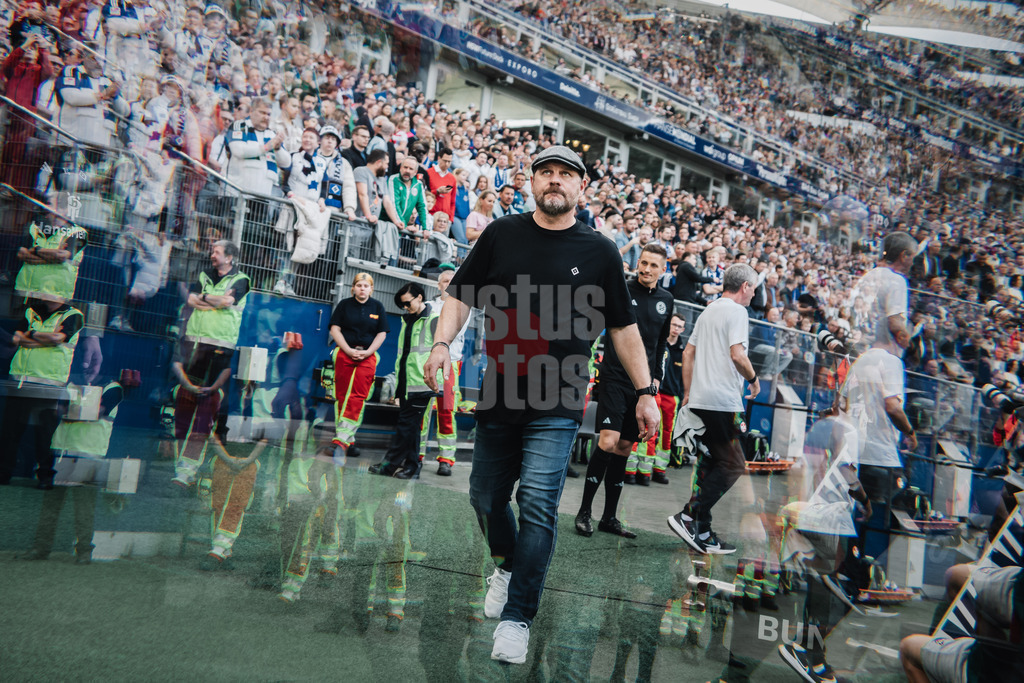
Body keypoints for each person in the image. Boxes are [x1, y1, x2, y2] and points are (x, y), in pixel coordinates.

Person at [423, 145, 660, 665]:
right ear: (531, 183)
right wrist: (442, 342)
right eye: (545, 173)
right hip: (501, 392)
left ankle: (517, 617)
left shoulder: (600, 251)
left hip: (561, 396)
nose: (555, 181)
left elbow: (622, 326)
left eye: (565, 175)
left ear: (581, 188)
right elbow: (460, 294)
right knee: (485, 497)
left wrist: (646, 393)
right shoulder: (502, 234)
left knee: (536, 502)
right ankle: (506, 568)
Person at [575, 243, 673, 539]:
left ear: (663, 269)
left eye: (653, 265)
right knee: (608, 441)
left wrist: (655, 378)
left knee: (624, 447)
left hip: (642, 387)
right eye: (643, 263)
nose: (646, 269)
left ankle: (609, 518)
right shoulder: (621, 289)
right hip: (614, 378)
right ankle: (584, 513)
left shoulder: (667, 300)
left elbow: (661, 345)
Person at [667, 263, 760, 555]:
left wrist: (687, 392)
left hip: (702, 398)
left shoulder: (709, 310)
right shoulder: (737, 311)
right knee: (734, 464)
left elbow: (688, 352)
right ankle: (687, 516)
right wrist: (754, 380)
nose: (753, 295)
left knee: (713, 461)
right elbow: (738, 355)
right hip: (723, 401)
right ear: (744, 286)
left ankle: (702, 529)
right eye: (753, 289)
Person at [0, 298, 84, 488]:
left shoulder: (74, 315)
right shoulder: (31, 311)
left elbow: (58, 339)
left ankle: (45, 477)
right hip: (20, 381)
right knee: (10, 432)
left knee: (44, 434)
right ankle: (4, 473)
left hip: (49, 385)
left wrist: (32, 334)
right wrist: (44, 339)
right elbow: (17, 338)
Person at [369, 283, 438, 479]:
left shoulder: (433, 320)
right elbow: (405, 355)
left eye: (407, 303)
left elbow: (439, 352)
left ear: (419, 297)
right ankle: (412, 467)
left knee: (406, 425)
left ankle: (389, 465)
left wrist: (432, 381)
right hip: (407, 382)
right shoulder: (407, 320)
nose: (406, 308)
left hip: (422, 383)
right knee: (412, 427)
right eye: (402, 305)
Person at [328, 273, 389, 458]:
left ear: (372, 289)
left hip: (367, 356)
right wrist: (346, 349)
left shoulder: (377, 306)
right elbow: (334, 329)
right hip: (345, 354)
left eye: (366, 285)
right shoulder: (344, 305)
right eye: (359, 285)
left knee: (357, 396)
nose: (362, 288)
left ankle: (340, 440)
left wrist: (368, 352)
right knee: (342, 396)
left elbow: (382, 333)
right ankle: (349, 440)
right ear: (353, 288)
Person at [419, 266, 471, 475]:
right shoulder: (428, 306)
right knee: (422, 411)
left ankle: (446, 458)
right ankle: (418, 454)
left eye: (452, 280)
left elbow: (453, 330)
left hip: (452, 365)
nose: (448, 284)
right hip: (427, 363)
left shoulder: (463, 307)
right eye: (445, 281)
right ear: (438, 284)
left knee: (446, 410)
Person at [630, 312, 686, 480]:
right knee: (646, 429)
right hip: (655, 392)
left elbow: (685, 376)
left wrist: (683, 396)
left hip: (672, 396)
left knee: (667, 433)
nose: (676, 329)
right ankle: (635, 469)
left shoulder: (684, 351)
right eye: (674, 325)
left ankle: (659, 468)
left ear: (683, 329)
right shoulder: (658, 344)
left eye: (679, 326)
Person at [426, 147, 457, 221]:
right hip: (431, 215)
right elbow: (424, 194)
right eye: (445, 161)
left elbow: (452, 201)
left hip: (446, 218)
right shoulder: (429, 173)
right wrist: (437, 191)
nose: (447, 164)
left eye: (449, 162)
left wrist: (451, 218)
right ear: (439, 158)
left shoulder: (452, 178)